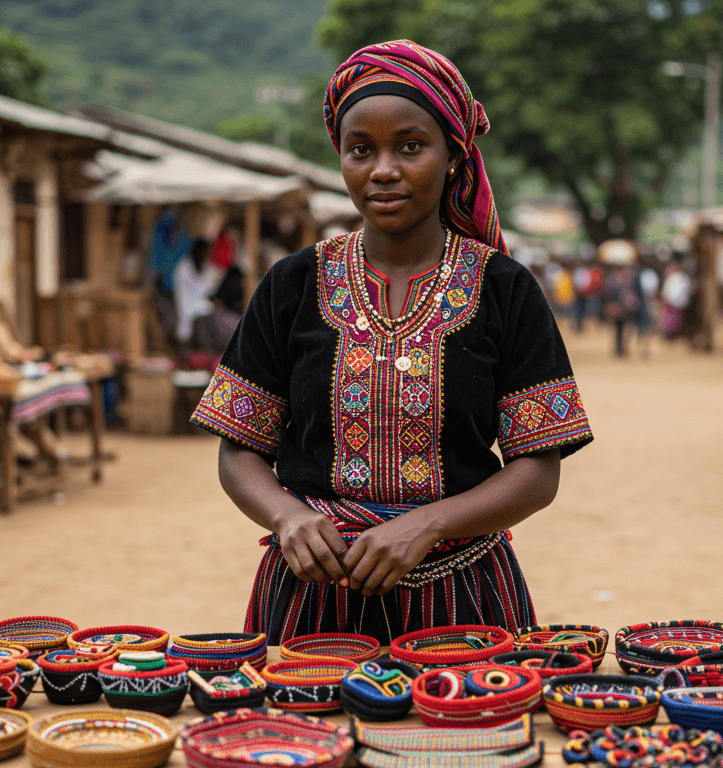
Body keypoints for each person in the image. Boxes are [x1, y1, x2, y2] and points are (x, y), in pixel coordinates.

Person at [191, 40, 594, 643]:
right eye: (361, 150)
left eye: (410, 146)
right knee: (302, 737)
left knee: (466, 732)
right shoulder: (293, 284)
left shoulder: (504, 289)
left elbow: (539, 470)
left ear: (454, 156)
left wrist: (428, 524)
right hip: (312, 598)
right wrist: (288, 516)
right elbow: (238, 449)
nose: (383, 169)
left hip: (461, 601)